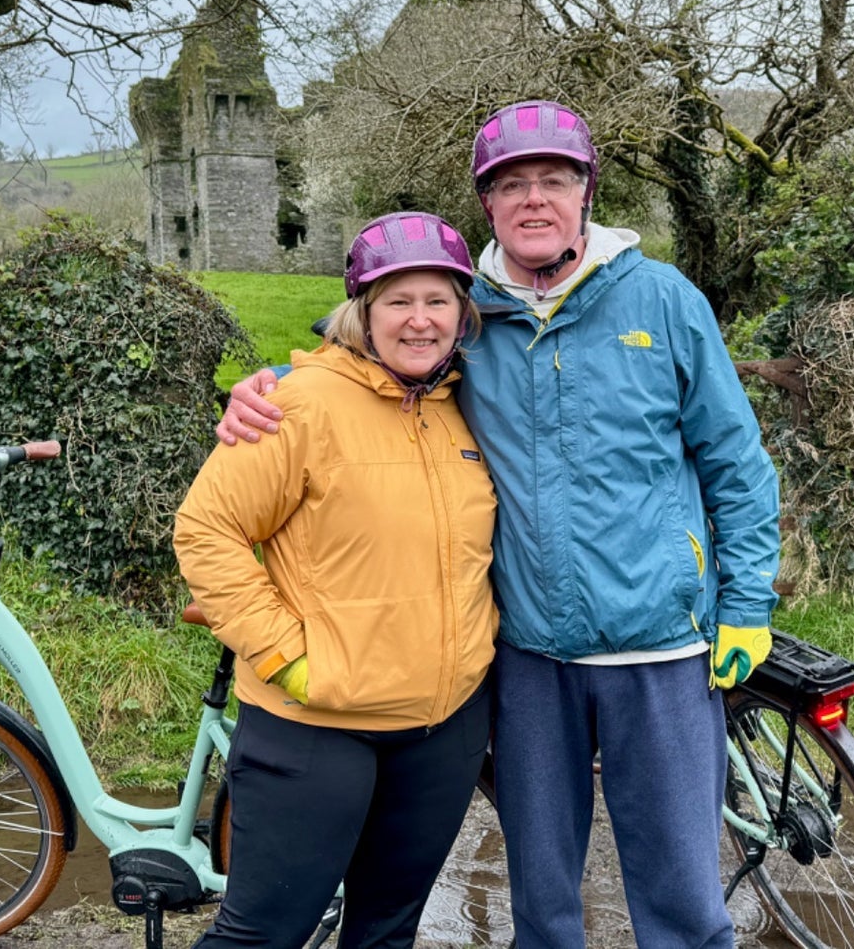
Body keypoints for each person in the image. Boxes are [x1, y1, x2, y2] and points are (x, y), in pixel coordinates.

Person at [217, 100, 781, 948]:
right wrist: (264, 385)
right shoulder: (467, 312)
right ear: (487, 204)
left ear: (586, 191)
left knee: (683, 903)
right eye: (512, 185)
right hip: (525, 657)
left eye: (554, 179)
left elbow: (735, 462)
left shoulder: (663, 300)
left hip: (660, 643)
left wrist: (747, 602)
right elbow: (366, 358)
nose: (534, 200)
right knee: (542, 903)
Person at [175, 211, 499, 949]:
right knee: (263, 935)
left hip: (441, 729)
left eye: (438, 301)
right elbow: (207, 530)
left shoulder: (471, 407)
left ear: (462, 311)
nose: (419, 321)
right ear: (362, 311)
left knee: (386, 931)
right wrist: (283, 654)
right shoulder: (298, 404)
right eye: (397, 301)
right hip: (317, 727)